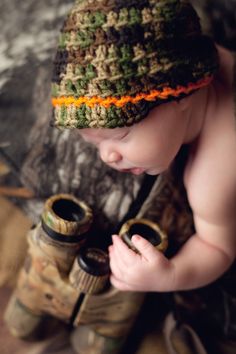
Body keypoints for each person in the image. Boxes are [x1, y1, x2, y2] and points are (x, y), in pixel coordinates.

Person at [51, 0, 236, 293]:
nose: (107, 156)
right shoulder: (197, 57)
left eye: (121, 135)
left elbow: (219, 248)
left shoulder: (215, 176)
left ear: (183, 95)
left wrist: (171, 275)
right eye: (92, 141)